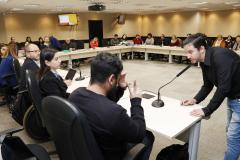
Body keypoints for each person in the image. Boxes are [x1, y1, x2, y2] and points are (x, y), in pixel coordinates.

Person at [68, 53, 154, 160]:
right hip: (110, 154)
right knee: (148, 136)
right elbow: (139, 133)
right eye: (117, 79)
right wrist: (136, 100)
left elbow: (102, 102)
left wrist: (121, 88)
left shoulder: (75, 94)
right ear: (112, 79)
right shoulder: (115, 113)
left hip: (87, 149)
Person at [181, 33, 240, 160]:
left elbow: (223, 88)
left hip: (238, 98)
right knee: (232, 132)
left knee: (233, 137)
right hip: (233, 98)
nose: (187, 56)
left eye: (190, 52)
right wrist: (195, 99)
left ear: (201, 49)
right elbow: (208, 85)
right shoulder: (204, 60)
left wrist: (206, 110)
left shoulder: (220, 57)